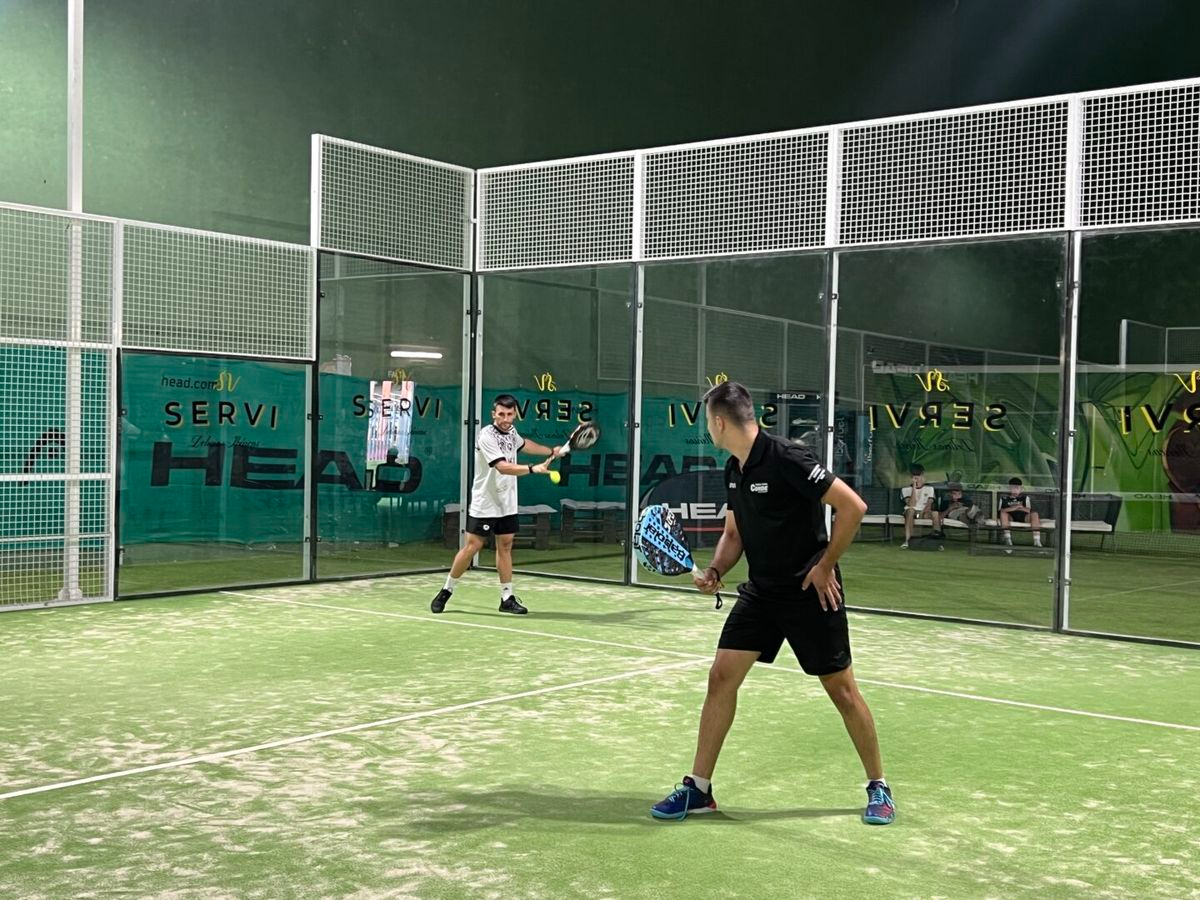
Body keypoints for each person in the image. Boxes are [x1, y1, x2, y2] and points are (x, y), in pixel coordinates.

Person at [650, 381, 895, 826]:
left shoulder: (788, 457)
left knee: (841, 690)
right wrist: (716, 570)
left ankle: (878, 785)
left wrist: (825, 565)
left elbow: (853, 507)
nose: (709, 429)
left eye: (708, 422)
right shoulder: (734, 469)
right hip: (761, 593)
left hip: (810, 591)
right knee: (721, 677)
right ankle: (699, 788)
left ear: (720, 422)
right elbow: (734, 534)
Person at [430, 394, 561, 615]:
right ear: (494, 414)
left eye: (510, 414)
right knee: (473, 547)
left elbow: (524, 444)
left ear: (515, 415)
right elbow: (502, 467)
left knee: (506, 546)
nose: (505, 419)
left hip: (507, 501)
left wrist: (550, 451)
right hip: (485, 502)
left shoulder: (512, 432)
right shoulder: (486, 436)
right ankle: (446, 590)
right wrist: (532, 469)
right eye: (501, 414)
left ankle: (507, 598)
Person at [999, 477, 1043, 552]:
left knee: (1035, 514)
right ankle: (1008, 541)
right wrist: (1017, 507)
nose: (1015, 490)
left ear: (1021, 489)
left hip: (1024, 517)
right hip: (1010, 517)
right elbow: (1001, 511)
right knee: (1003, 514)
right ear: (1009, 488)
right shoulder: (1004, 499)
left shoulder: (1025, 498)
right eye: (1013, 488)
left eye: (1017, 488)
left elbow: (1028, 510)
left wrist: (1014, 508)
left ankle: (1037, 541)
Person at [900, 464, 937, 549]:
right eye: (914, 477)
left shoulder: (930, 489)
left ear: (922, 476)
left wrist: (922, 513)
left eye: (919, 476)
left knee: (935, 514)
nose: (917, 479)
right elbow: (911, 504)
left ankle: (937, 541)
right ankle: (907, 540)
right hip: (911, 511)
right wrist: (914, 488)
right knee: (910, 510)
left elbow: (929, 504)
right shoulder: (905, 489)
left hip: (924, 512)